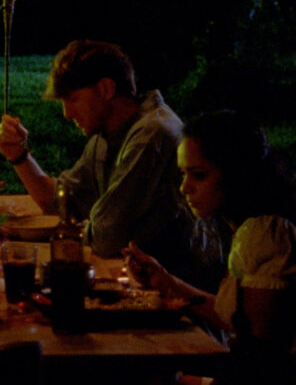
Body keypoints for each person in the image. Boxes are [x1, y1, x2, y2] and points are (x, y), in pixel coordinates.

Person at [125, 111, 296, 384]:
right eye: (183, 174)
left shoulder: (265, 234)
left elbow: (260, 355)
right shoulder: (246, 229)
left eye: (199, 175)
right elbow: (238, 318)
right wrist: (166, 282)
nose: (185, 188)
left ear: (236, 173)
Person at [0, 40, 194, 271]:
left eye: (73, 99)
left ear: (106, 89)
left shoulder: (151, 134)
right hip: (142, 274)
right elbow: (61, 204)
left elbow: (107, 237)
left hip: (181, 280)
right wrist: (19, 155)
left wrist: (72, 230)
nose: (67, 114)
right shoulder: (107, 135)